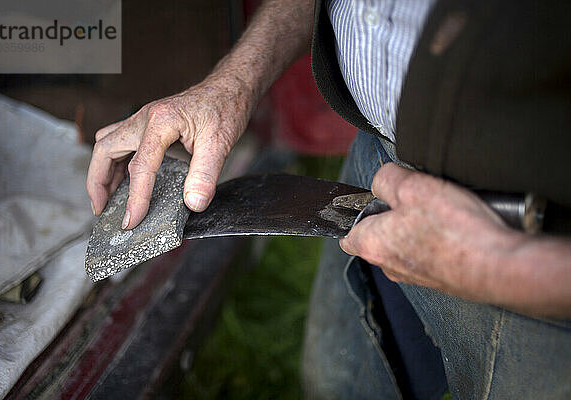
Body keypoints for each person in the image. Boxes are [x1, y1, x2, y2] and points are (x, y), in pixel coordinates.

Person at [86, 0, 571, 398]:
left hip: (531, 252)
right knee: (335, 385)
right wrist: (232, 83)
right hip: (375, 165)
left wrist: (504, 265)